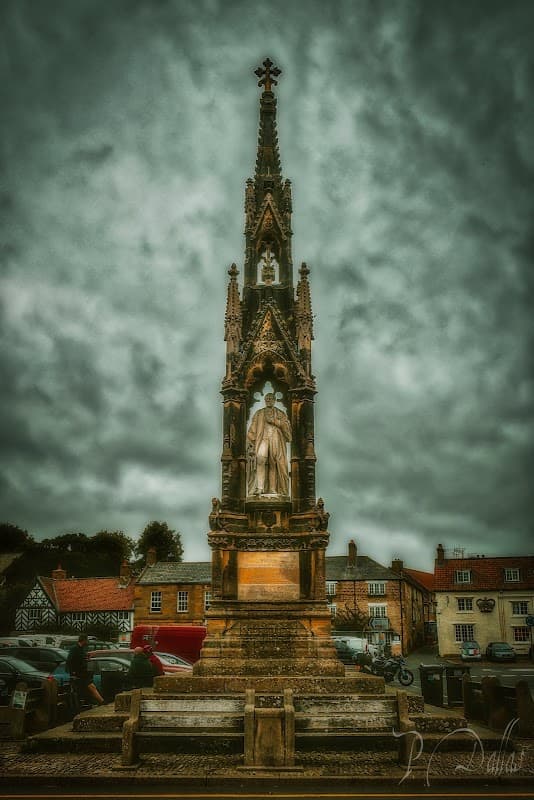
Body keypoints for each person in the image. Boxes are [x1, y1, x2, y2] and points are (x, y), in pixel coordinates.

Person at [246, 393, 291, 496]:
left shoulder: (280, 413)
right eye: (267, 398)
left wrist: (275, 422)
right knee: (260, 459)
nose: (268, 400)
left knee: (273, 463)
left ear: (274, 400)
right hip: (263, 439)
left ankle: (272, 489)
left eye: (271, 398)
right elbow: (252, 429)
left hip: (276, 439)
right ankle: (260, 488)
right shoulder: (259, 413)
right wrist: (251, 441)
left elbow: (287, 430)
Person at [66, 633, 104, 706]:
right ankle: (102, 702)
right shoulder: (75, 649)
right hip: (78, 674)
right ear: (83, 640)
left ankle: (99, 701)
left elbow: (82, 659)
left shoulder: (82, 649)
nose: (87, 642)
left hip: (83, 673)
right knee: (91, 687)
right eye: (86, 640)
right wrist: (73, 672)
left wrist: (88, 657)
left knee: (91, 687)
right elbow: (69, 661)